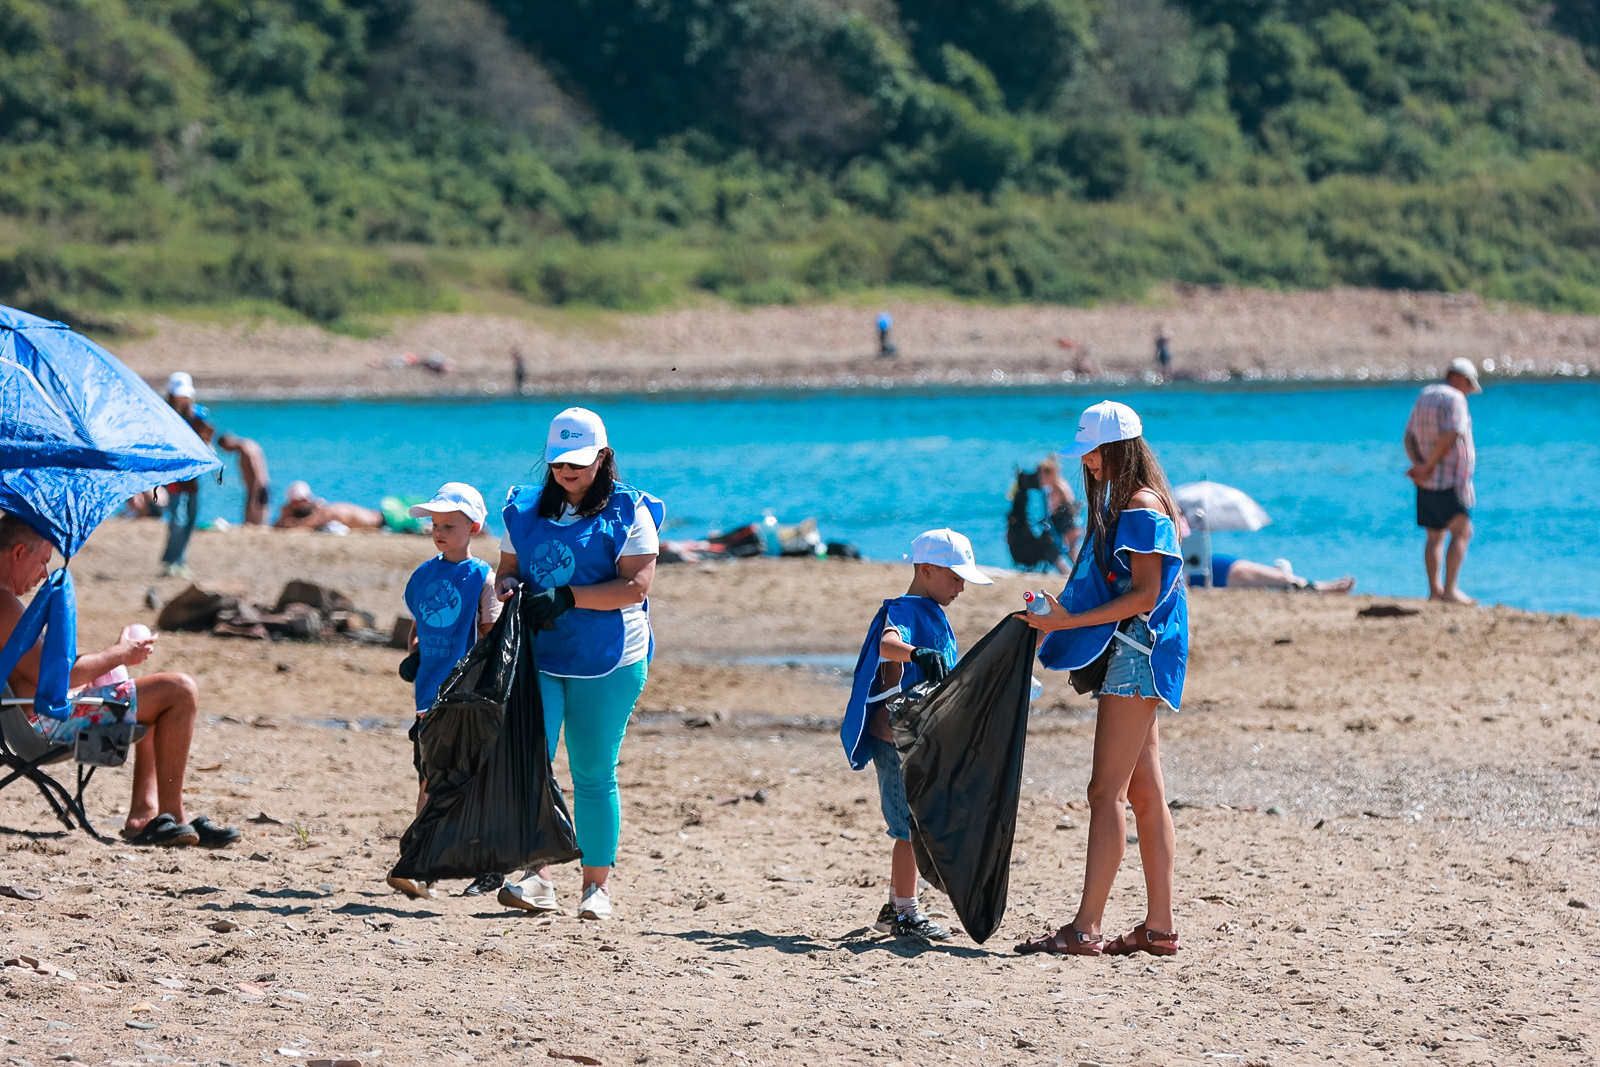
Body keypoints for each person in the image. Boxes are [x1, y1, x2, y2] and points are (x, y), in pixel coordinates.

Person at [1016, 400, 1188, 958]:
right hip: (1145, 653)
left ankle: (1085, 928)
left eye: (1092, 452)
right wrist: (1062, 616)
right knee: (1144, 793)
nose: (1086, 462)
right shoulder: (1139, 501)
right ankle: (1159, 929)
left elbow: (1144, 595)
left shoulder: (1138, 505)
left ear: (1116, 449)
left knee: (1104, 792)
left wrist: (1066, 622)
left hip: (1136, 654)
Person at [492, 408, 663, 921]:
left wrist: (567, 597)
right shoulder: (523, 509)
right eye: (559, 462)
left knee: (592, 771)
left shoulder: (630, 511)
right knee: (531, 763)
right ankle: (538, 878)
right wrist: (509, 589)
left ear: (603, 457)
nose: (567, 470)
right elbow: (507, 571)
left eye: (578, 462)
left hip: (610, 658)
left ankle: (596, 887)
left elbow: (635, 587)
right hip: (540, 655)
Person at [0, 513, 239, 849]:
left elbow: (41, 674)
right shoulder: (4, 606)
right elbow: (55, 677)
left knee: (151, 697)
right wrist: (121, 653)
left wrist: (103, 665)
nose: (44, 574)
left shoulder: (6, 605)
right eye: (42, 561)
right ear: (18, 552)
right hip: (46, 726)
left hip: (32, 716)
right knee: (179, 690)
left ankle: (146, 813)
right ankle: (172, 815)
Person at [841, 528, 992, 941]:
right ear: (926, 569)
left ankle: (897, 906)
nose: (961, 587)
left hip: (917, 739)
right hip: (895, 739)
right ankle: (903, 912)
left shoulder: (934, 613)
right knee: (908, 827)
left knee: (918, 821)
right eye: (955, 577)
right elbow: (888, 645)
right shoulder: (905, 610)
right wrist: (916, 653)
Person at [387, 483, 504, 901]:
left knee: (458, 779)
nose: (439, 532)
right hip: (428, 695)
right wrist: (415, 656)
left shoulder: (482, 577)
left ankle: (431, 864)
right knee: (430, 776)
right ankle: (423, 865)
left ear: (473, 528)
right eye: (435, 525)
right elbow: (418, 626)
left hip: (465, 696)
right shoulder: (424, 573)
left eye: (449, 526)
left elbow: (490, 634)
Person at [1404, 357, 1481, 604]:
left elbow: (1408, 436)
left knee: (1434, 537)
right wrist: (1428, 465)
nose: (1468, 390)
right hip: (1451, 478)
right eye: (1468, 384)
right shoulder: (1454, 398)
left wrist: (1420, 466)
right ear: (1458, 378)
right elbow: (1451, 433)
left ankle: (1434, 591)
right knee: (1462, 531)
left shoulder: (1425, 394)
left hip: (1426, 482)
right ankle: (1450, 590)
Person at [160, 373, 214, 577]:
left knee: (191, 518)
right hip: (173, 474)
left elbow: (206, 439)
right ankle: (172, 561)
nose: (182, 399)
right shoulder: (163, 414)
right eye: (179, 395)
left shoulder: (198, 415)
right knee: (178, 519)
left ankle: (180, 561)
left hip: (193, 474)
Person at [1186, 553, 1355, 594]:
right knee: (1281, 579)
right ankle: (1321, 587)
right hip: (1209, 570)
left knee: (1281, 579)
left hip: (1212, 567)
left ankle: (1320, 587)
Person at [273, 482, 385, 532]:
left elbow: (298, 525)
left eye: (303, 501)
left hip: (385, 521)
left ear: (310, 499)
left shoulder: (326, 512)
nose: (300, 505)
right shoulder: (324, 511)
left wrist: (286, 515)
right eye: (295, 503)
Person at [216, 434, 271, 526]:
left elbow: (255, 472)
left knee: (254, 520)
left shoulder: (246, 451)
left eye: (225, 448)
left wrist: (253, 495)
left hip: (257, 488)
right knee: (260, 519)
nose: (227, 451)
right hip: (260, 486)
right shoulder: (250, 444)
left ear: (228, 442)